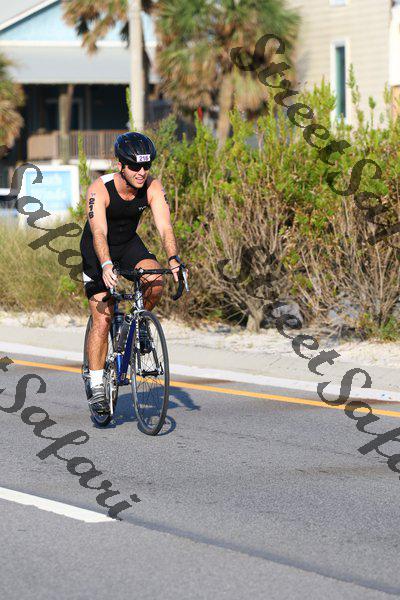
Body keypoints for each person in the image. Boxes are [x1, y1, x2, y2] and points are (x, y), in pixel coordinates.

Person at [80, 132, 184, 412]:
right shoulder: (100, 189)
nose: (141, 172)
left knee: (155, 279)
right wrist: (105, 265)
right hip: (97, 249)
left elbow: (165, 227)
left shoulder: (151, 187)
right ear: (121, 166)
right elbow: (98, 232)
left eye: (146, 166)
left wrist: (173, 258)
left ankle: (138, 325)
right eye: (135, 166)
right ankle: (97, 383)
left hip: (127, 244)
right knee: (103, 318)